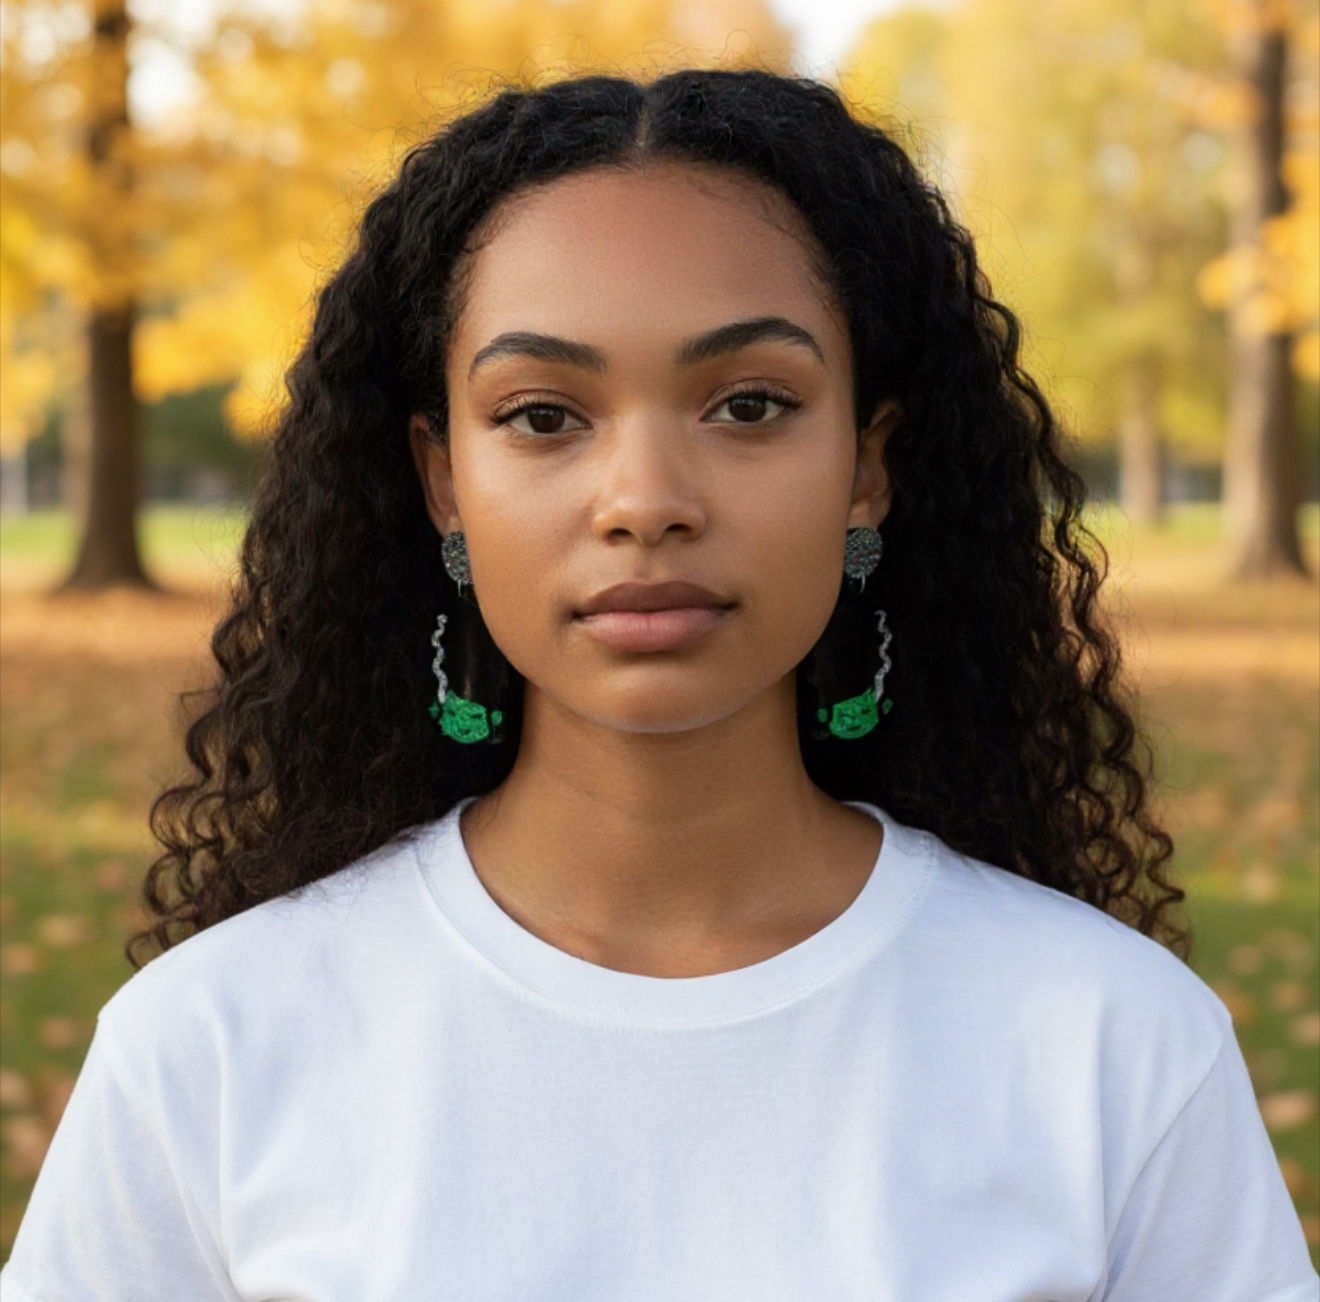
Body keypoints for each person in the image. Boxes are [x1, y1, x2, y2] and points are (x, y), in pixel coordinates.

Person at [2, 67, 1315, 1300]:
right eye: (542, 415)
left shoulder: (1117, 1046)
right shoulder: (212, 1050)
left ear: (869, 465)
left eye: (747, 404)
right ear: (441, 478)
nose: (645, 500)